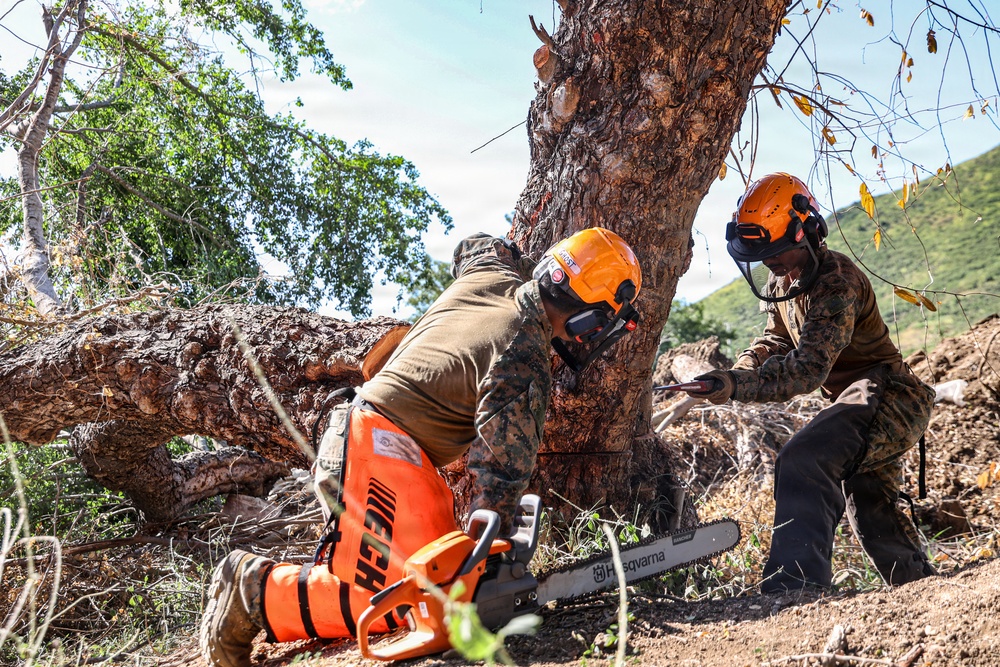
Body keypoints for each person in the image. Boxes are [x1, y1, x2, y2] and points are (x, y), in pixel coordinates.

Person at [200, 228, 643, 667]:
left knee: (428, 580)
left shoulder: (491, 271)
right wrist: (489, 560)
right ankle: (251, 589)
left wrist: (536, 269)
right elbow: (500, 469)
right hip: (380, 449)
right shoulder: (524, 354)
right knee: (395, 602)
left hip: (386, 447)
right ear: (593, 320)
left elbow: (474, 244)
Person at [685, 173, 936, 593]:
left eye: (778, 251)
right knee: (869, 503)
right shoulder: (782, 280)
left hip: (890, 395)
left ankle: (795, 588)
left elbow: (808, 369)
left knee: (803, 460)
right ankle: (922, 591)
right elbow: (775, 341)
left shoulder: (836, 282)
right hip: (858, 398)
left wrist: (736, 386)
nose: (771, 262)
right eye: (762, 254)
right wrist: (735, 373)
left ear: (807, 233)